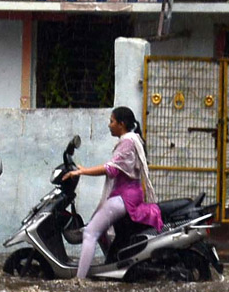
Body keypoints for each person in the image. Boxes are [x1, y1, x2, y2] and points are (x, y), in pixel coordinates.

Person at [62, 106, 163, 279]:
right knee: (98, 231)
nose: (109, 125)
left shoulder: (127, 142)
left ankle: (79, 281)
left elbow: (111, 169)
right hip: (129, 195)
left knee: (90, 232)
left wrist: (82, 172)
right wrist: (83, 169)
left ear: (121, 124)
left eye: (112, 121)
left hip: (125, 197)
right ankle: (107, 267)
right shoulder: (131, 139)